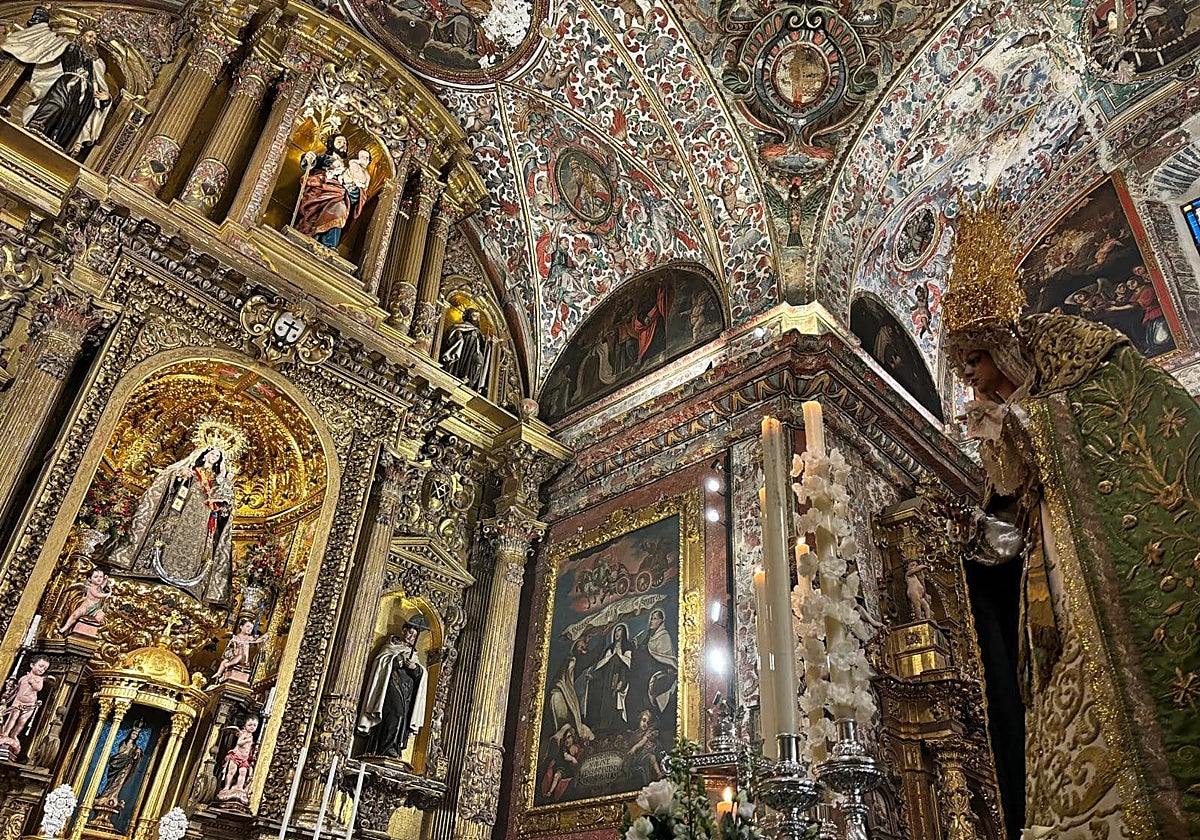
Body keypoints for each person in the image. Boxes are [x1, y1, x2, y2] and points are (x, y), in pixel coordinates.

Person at [943, 222, 1200, 837]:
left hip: (1102, 559)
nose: (971, 377)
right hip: (1054, 575)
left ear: (1003, 347)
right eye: (961, 365)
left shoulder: (1072, 350)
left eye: (975, 358)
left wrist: (1022, 427)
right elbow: (1012, 509)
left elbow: (1115, 415)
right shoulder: (1003, 413)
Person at [108, 444, 237, 607]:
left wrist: (225, 490)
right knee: (168, 533)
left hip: (202, 521)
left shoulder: (217, 481)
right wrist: (181, 474)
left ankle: (188, 580)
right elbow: (170, 480)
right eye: (212, 453)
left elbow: (223, 507)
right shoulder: (191, 469)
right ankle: (152, 570)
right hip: (180, 512)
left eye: (217, 456)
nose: (214, 457)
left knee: (196, 545)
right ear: (204, 455)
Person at [0, 12, 113, 152]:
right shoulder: (69, 47)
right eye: (90, 36)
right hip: (67, 82)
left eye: (95, 38)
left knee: (71, 119)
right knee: (57, 103)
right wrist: (42, 14)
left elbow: (101, 85)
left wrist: (106, 98)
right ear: (81, 37)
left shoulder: (97, 62)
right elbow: (45, 43)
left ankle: (57, 141)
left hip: (86, 96)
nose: (93, 41)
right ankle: (38, 125)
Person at [357, 616, 429, 759]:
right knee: (394, 715)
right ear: (404, 631)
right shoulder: (391, 647)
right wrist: (397, 661)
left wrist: (415, 668)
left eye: (415, 635)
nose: (411, 637)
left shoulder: (413, 654)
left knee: (402, 719)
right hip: (391, 689)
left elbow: (421, 675)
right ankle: (384, 748)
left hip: (407, 693)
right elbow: (381, 663)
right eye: (410, 632)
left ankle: (395, 747)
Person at [295, 134, 364, 248]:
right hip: (320, 190)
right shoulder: (324, 158)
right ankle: (313, 235)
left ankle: (328, 245)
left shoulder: (349, 170)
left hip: (339, 196)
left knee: (340, 208)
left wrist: (352, 188)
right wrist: (309, 158)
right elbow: (309, 165)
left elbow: (353, 197)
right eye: (339, 142)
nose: (343, 145)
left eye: (345, 143)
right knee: (316, 213)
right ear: (332, 144)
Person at [581, 623, 634, 734]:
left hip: (619, 682)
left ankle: (617, 729)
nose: (616, 633)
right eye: (615, 631)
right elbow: (602, 669)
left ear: (623, 633)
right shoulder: (609, 649)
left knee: (614, 705)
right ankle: (601, 727)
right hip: (606, 683)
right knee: (603, 701)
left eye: (619, 630)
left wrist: (622, 682)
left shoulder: (627, 649)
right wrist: (593, 675)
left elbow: (628, 668)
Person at [0, 657, 50, 757]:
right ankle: (5, 733)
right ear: (32, 665)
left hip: (30, 705)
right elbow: (16, 690)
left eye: (44, 669)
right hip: (18, 702)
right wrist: (7, 698)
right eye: (40, 666)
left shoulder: (39, 679)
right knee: (12, 718)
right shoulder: (23, 678)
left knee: (22, 722)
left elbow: (38, 688)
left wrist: (32, 681)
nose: (41, 670)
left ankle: (14, 735)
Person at [96, 721, 144, 804]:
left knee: (120, 781)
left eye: (136, 735)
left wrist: (137, 753)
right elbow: (121, 752)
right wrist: (126, 756)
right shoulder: (124, 742)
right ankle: (105, 794)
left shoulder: (135, 747)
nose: (134, 736)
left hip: (126, 766)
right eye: (133, 734)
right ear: (130, 734)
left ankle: (113, 796)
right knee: (112, 780)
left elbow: (135, 758)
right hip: (119, 762)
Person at [439, 308, 488, 390]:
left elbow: (483, 344)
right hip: (466, 346)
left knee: (479, 361)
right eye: (474, 316)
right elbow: (454, 330)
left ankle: (471, 380)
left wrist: (486, 341)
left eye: (478, 317)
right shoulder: (463, 325)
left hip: (475, 350)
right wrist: (458, 333)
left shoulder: (478, 332)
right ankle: (463, 374)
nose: (477, 319)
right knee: (472, 339)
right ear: (469, 316)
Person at [216, 716, 258, 806]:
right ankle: (226, 786)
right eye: (250, 725)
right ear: (245, 726)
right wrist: (247, 740)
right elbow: (239, 742)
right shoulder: (244, 734)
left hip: (244, 759)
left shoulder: (251, 735)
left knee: (243, 773)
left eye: (254, 725)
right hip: (236, 756)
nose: (252, 727)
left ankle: (239, 787)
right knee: (231, 772)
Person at [58, 567, 110, 635]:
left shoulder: (100, 587)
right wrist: (107, 594)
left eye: (101, 577)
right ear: (89, 579)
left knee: (101, 615)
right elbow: (97, 595)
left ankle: (91, 631)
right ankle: (65, 627)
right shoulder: (91, 588)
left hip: (95, 609)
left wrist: (105, 579)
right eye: (96, 577)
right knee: (75, 615)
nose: (99, 579)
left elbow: (103, 585)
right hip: (86, 608)